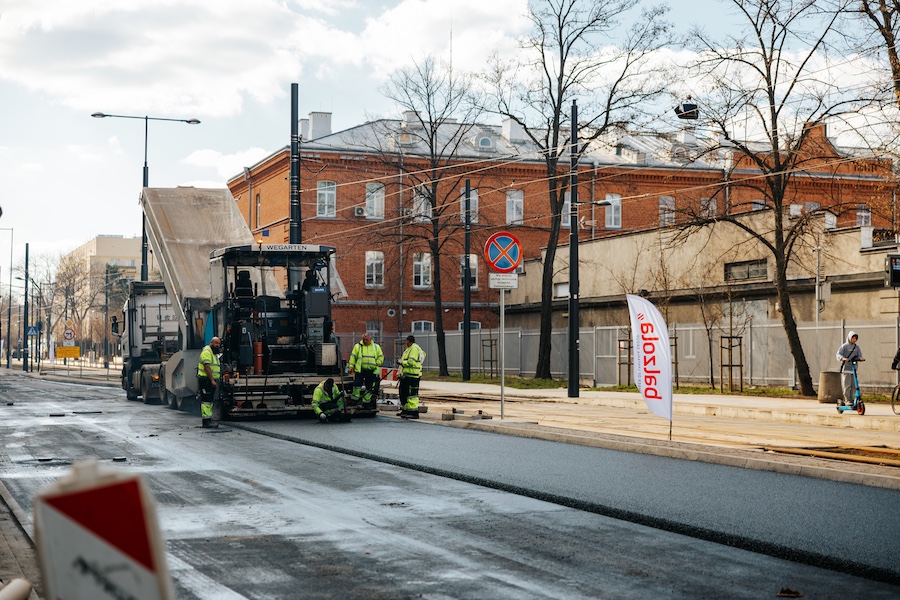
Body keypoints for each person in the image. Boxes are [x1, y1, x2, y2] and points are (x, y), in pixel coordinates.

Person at [347, 333, 384, 408]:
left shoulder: (376, 347)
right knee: (357, 384)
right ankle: (355, 400)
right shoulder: (358, 346)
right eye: (364, 339)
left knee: (369, 387)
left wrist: (378, 362)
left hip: (371, 370)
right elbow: (353, 357)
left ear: (370, 339)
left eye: (366, 339)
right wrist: (350, 367)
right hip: (360, 369)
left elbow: (381, 357)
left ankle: (366, 402)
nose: (365, 341)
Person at [398, 335, 426, 419]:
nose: (405, 343)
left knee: (411, 394)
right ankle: (406, 410)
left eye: (406, 341)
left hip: (412, 375)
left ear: (409, 341)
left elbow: (411, 362)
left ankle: (413, 412)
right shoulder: (409, 349)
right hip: (407, 375)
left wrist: (402, 362)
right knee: (404, 393)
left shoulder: (413, 349)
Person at [197, 336, 222, 428]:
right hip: (206, 380)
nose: (218, 345)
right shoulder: (207, 352)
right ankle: (206, 422)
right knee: (206, 401)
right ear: (211, 343)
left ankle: (208, 420)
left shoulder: (213, 353)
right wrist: (212, 380)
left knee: (209, 400)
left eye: (219, 343)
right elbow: (207, 367)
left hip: (209, 380)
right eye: (216, 343)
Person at [836, 331, 864, 407]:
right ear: (849, 338)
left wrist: (860, 358)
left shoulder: (857, 347)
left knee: (855, 386)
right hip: (846, 369)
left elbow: (859, 355)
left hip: (853, 369)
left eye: (855, 338)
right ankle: (847, 400)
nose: (854, 340)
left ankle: (853, 399)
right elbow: (838, 354)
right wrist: (843, 358)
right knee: (847, 385)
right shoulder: (844, 346)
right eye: (853, 338)